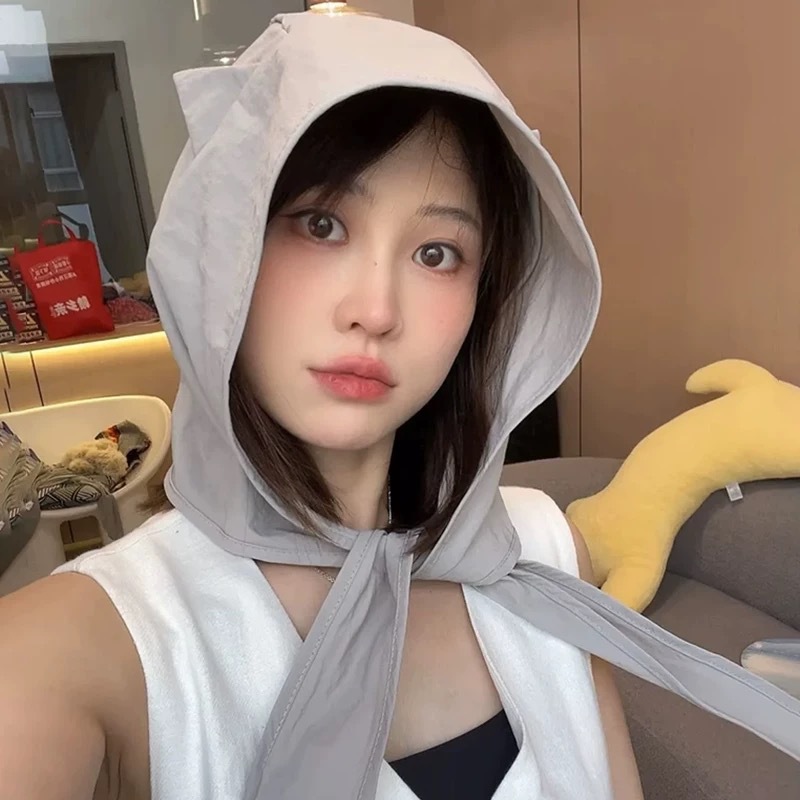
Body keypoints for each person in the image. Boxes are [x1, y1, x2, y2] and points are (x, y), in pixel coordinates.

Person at [2, 11, 796, 800]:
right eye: (321, 224)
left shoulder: (542, 549)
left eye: (436, 253)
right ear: (221, 244)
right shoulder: (88, 643)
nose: (376, 310)